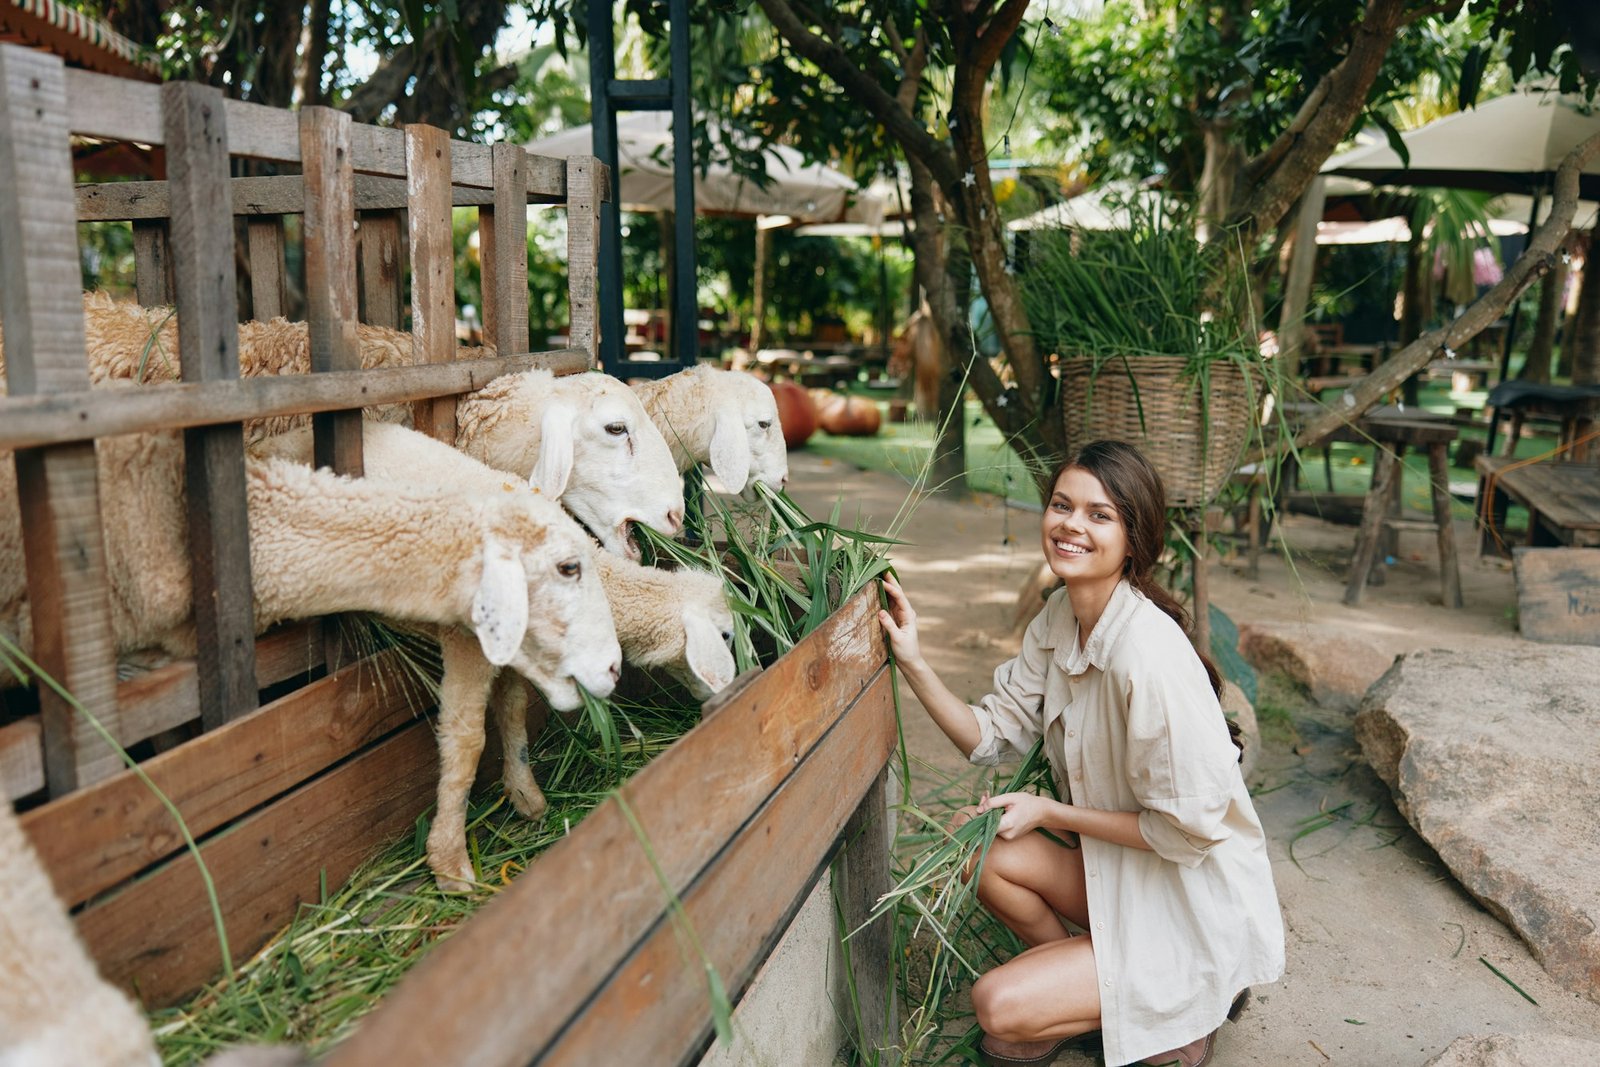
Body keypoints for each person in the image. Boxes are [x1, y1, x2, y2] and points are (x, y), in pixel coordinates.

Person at [878, 440, 1284, 1067]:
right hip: (1119, 874)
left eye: (1100, 515)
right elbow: (987, 737)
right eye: (1062, 505)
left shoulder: (1146, 654)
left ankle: (1163, 1002)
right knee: (974, 841)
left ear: (1133, 539)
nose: (1071, 525)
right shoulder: (1059, 618)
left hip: (1185, 899)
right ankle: (1110, 994)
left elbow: (1187, 833)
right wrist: (913, 659)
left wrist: (1052, 813)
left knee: (996, 1009)